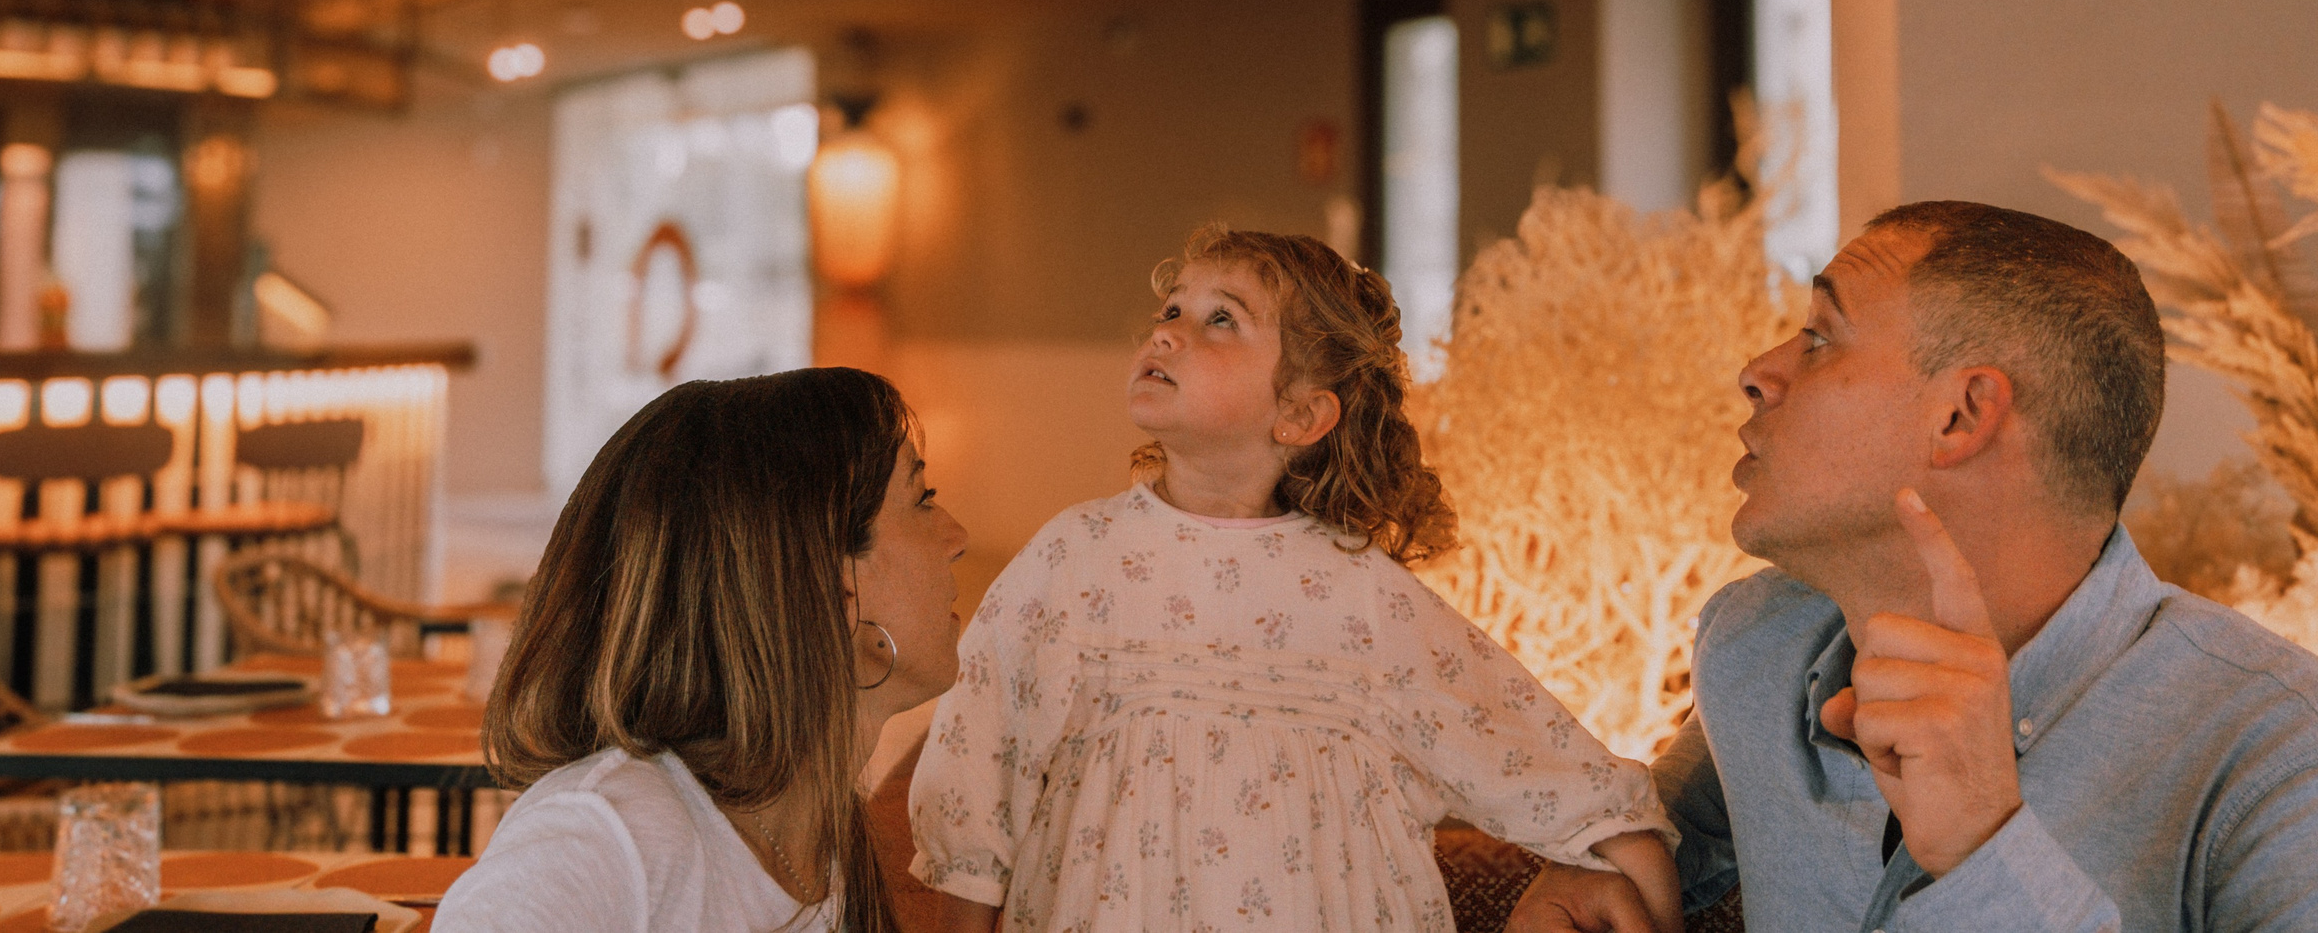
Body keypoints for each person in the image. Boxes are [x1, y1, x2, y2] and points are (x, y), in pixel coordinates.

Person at [1508, 201, 2318, 933]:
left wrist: (1985, 845)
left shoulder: (2304, 758)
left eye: (1820, 337)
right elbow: (1676, 818)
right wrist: (1602, 856)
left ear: (1961, 415)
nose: (1759, 369)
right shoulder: (1756, 644)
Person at [910, 227, 1685, 933]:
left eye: (1221, 318)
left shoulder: (1363, 597)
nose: (1166, 330)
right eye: (1171, 308)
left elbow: (1533, 754)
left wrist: (1628, 850)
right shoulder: (1075, 557)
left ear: (1302, 415)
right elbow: (975, 773)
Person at [436, 367, 968, 933]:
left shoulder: (824, 841)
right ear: (831, 583)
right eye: (923, 500)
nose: (957, 538)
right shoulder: (606, 838)